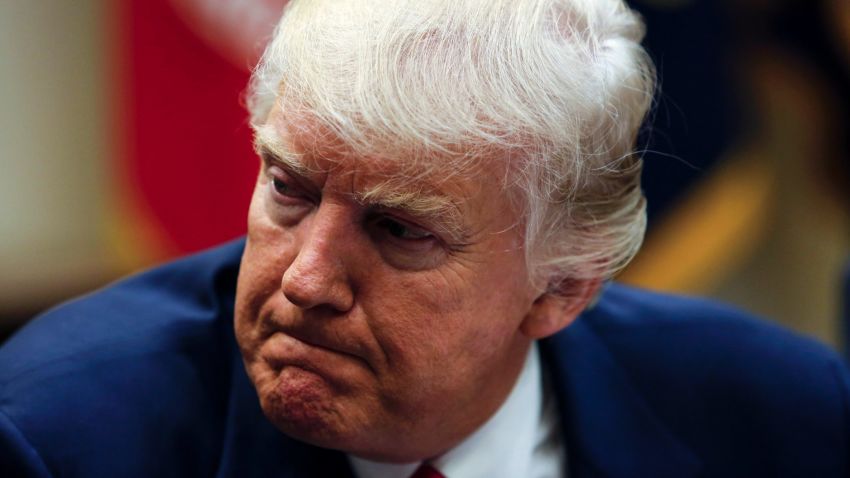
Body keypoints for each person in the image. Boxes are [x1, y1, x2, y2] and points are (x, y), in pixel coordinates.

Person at [1, 0, 848, 476]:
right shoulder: (62, 441)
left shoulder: (786, 420)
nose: (304, 279)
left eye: (400, 230)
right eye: (289, 190)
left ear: (562, 286)